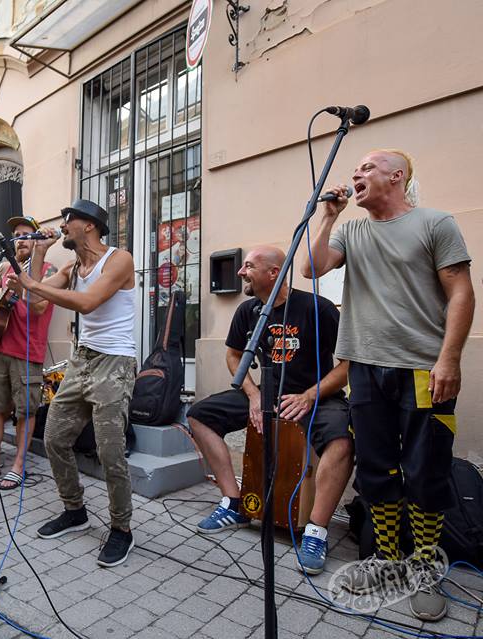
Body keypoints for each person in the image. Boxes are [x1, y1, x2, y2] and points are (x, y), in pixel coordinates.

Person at [303, 149, 474, 622]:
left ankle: (424, 566)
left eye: (367, 168)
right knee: (376, 468)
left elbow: (461, 291)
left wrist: (450, 357)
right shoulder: (352, 231)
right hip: (365, 369)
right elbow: (311, 269)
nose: (356, 174)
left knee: (425, 469)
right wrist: (328, 217)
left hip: (423, 368)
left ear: (396, 177)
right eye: (355, 169)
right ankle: (387, 558)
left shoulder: (435, 223)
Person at [186, 246, 353, 575]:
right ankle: (233, 503)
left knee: (342, 443)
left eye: (248, 266)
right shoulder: (249, 311)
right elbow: (234, 355)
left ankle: (316, 532)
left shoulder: (317, 309)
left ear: (273, 273)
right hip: (267, 393)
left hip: (317, 395)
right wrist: (252, 394)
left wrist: (308, 396)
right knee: (198, 415)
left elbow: (348, 365)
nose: (240, 272)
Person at [5, 200, 137, 568]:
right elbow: (33, 301)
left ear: (89, 226)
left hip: (115, 361)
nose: (62, 226)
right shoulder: (72, 265)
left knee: (110, 451)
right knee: (54, 438)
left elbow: (89, 303)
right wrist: (39, 255)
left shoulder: (118, 259)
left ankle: (122, 528)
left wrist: (32, 282)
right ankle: (75, 509)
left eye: (68, 221)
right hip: (83, 359)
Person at [0, 219, 56, 490]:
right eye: (16, 236)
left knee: (24, 411)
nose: (20, 240)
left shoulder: (48, 270)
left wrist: (23, 288)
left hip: (27, 351)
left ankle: (19, 464)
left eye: (26, 235)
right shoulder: (4, 268)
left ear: (37, 241)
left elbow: (40, 308)